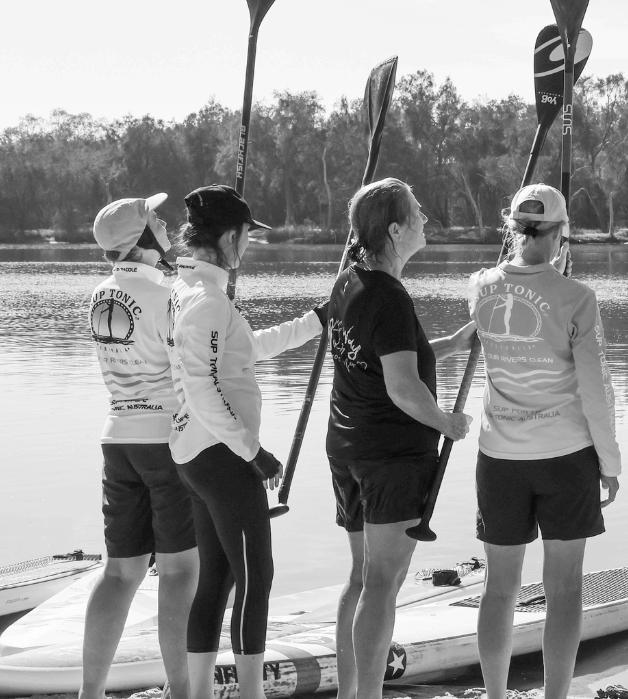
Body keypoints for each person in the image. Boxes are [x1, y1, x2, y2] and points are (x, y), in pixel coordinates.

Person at [165, 185, 323, 699]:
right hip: (220, 457)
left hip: (196, 455)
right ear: (231, 238)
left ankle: (200, 693)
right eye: (247, 238)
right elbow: (202, 389)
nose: (248, 248)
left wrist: (317, 321)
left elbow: (248, 351)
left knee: (217, 576)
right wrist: (253, 452)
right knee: (257, 576)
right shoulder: (207, 301)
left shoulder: (189, 291)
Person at [322, 178, 476, 699]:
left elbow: (383, 356)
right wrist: (445, 423)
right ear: (394, 229)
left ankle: (350, 694)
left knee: (363, 578)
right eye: (417, 212)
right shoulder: (387, 295)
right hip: (389, 455)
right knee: (384, 581)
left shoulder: (350, 280)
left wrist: (451, 344)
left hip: (349, 445)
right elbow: (403, 386)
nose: (425, 219)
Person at [468, 185, 621, 699]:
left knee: (499, 588)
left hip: (499, 459)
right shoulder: (578, 297)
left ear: (512, 228)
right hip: (565, 458)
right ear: (560, 234)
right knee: (564, 589)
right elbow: (596, 389)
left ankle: (495, 696)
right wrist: (611, 461)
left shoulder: (480, 285)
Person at [82, 193, 197, 699]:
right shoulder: (168, 297)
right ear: (143, 239)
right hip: (164, 442)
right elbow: (194, 369)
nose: (166, 221)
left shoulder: (99, 293)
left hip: (117, 440)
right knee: (179, 570)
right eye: (156, 217)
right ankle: (179, 689)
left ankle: (91, 693)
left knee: (120, 572)